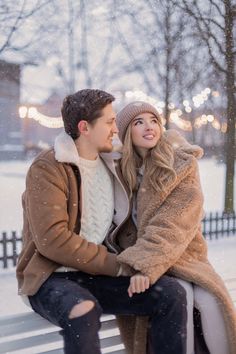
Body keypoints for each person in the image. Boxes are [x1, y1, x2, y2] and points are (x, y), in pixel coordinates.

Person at [16, 89, 188, 354]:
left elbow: (153, 156)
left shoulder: (113, 165)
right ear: (85, 127)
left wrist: (177, 148)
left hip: (94, 276)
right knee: (84, 310)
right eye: (109, 122)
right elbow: (53, 240)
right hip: (51, 277)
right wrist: (118, 266)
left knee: (170, 294)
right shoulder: (49, 167)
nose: (116, 129)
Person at [112, 100, 236, 354]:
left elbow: (174, 222)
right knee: (179, 297)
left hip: (184, 256)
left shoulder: (181, 164)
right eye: (139, 122)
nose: (149, 127)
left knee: (210, 301)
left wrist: (145, 264)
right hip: (144, 259)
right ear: (126, 133)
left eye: (154, 120)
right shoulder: (118, 173)